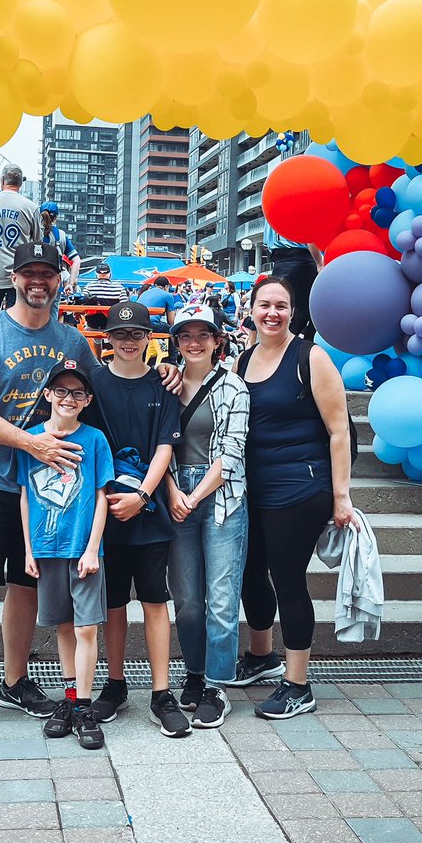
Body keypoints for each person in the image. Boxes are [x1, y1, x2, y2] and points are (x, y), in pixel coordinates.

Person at [0, 239, 98, 738]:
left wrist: (162, 374)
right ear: (13, 278)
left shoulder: (72, 341)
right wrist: (32, 446)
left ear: (60, 280)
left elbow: (96, 395)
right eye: (29, 273)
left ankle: (15, 681)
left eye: (48, 274)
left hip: (46, 490)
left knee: (27, 585)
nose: (39, 282)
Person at [235, 277, 355, 720]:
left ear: (292, 312)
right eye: (264, 304)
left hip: (302, 488)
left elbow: (339, 429)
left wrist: (340, 496)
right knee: (250, 572)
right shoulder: (244, 360)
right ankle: (261, 655)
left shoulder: (312, 357)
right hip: (255, 488)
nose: (272, 313)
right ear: (250, 309)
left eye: (281, 306)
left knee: (287, 579)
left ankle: (298, 683)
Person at [86, 302, 190, 738]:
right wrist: (109, 497)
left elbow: (166, 447)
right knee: (111, 604)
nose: (128, 341)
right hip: (103, 512)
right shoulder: (91, 384)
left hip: (149, 512)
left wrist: (144, 495)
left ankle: (161, 691)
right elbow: (85, 441)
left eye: (137, 334)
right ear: (107, 338)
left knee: (153, 600)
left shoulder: (163, 386)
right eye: (121, 334)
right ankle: (114, 683)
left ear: (150, 339)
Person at [17, 359, 114, 750]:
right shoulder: (31, 439)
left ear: (87, 399)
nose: (68, 398)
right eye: (60, 391)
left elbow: (101, 495)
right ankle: (70, 701)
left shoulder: (94, 440)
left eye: (77, 392)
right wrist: (27, 549)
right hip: (45, 547)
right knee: (62, 626)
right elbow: (25, 495)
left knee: (86, 627)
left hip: (83, 549)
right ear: (47, 395)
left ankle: (85, 706)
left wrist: (93, 547)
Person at [165, 305, 249, 729]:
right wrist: (172, 492)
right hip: (175, 492)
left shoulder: (234, 387)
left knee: (220, 599)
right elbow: (156, 449)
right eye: (185, 335)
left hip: (221, 499)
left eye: (204, 335)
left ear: (219, 340)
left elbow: (231, 454)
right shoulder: (166, 385)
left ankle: (217, 683)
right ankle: (194, 673)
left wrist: (193, 495)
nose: (194, 342)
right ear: (176, 342)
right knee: (187, 600)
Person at [0, 166, 42, 320]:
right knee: (17, 319)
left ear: (2, 180)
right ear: (20, 183)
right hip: (19, 271)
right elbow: (37, 242)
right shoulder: (31, 207)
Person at [264, 225, 322, 338]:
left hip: (279, 260)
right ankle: (298, 348)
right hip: (302, 259)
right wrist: (319, 262)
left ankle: (286, 348)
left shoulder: (270, 210)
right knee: (311, 312)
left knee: (286, 310)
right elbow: (309, 234)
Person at [40, 201, 80, 318]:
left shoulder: (33, 233)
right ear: (56, 218)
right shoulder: (61, 235)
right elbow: (77, 260)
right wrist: (70, 284)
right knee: (52, 318)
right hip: (54, 282)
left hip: (35, 282)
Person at [81, 263, 128, 331]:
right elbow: (124, 305)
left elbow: (83, 303)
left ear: (96, 274)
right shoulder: (119, 287)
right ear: (110, 274)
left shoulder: (89, 286)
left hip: (92, 324)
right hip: (112, 325)